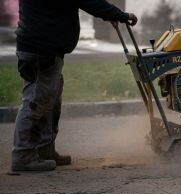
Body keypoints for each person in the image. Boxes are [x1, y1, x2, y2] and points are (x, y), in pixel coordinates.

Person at [12, 0, 138, 171]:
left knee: (50, 99)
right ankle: (23, 156)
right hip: (41, 50)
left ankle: (44, 150)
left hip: (42, 48)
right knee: (36, 101)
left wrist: (109, 15)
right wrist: (120, 15)